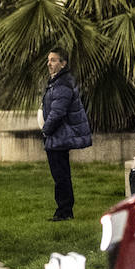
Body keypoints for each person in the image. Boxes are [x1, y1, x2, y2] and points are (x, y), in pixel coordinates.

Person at [41, 47, 92, 221]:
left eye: (54, 60)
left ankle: (64, 212)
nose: (49, 63)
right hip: (56, 136)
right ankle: (63, 210)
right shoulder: (56, 81)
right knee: (60, 175)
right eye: (49, 60)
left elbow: (58, 112)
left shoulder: (63, 83)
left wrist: (46, 130)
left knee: (61, 176)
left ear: (63, 63)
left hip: (58, 136)